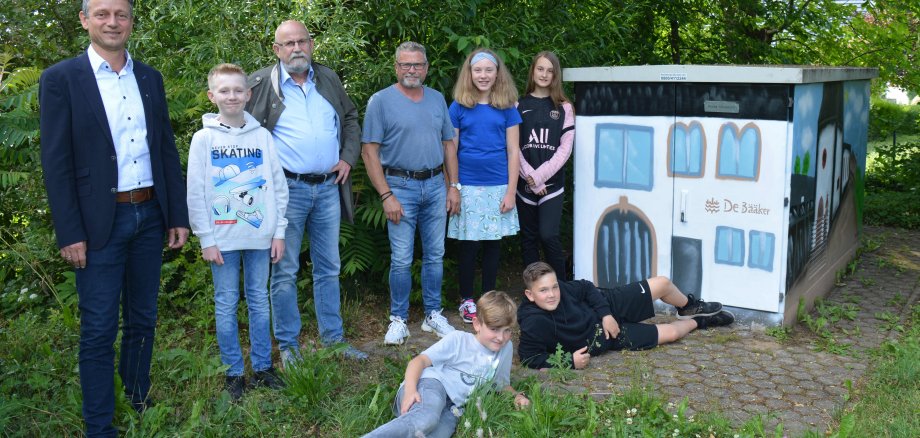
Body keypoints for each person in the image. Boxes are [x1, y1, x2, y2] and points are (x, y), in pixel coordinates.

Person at [38, 0, 189, 435]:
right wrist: (70, 231)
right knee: (100, 327)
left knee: (143, 319)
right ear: (85, 20)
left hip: (149, 214)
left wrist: (175, 214)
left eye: (120, 14)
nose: (112, 22)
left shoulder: (149, 78)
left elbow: (164, 149)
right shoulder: (61, 79)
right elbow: (56, 162)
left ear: (131, 21)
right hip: (97, 224)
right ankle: (99, 425)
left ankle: (138, 402)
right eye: (101, 13)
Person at [246, 20, 367, 361]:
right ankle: (288, 347)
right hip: (287, 190)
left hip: (329, 187)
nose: (296, 48)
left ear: (311, 44)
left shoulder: (327, 78)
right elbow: (242, 133)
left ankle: (334, 341)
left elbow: (350, 118)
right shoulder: (259, 85)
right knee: (285, 270)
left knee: (329, 267)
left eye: (302, 41)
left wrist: (347, 157)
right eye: (288, 43)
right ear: (276, 50)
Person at [187, 63, 289, 400]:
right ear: (212, 96)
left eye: (237, 90)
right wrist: (206, 238)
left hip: (260, 235)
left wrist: (279, 232)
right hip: (222, 240)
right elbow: (196, 191)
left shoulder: (262, 137)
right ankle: (233, 373)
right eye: (224, 90)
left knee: (260, 301)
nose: (232, 96)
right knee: (226, 303)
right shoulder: (203, 139)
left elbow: (278, 185)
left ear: (248, 94)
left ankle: (262, 368)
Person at [361, 42, 459, 345]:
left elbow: (448, 145)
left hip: (434, 184)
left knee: (435, 255)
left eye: (417, 64)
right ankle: (399, 319)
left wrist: (453, 186)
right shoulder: (381, 101)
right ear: (396, 67)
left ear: (427, 68)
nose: (412, 70)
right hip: (399, 186)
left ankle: (432, 315)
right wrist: (386, 195)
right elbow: (369, 151)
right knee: (402, 258)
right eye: (405, 64)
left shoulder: (437, 99)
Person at [363, 291, 530, 437]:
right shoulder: (458, 339)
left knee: (438, 433)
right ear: (477, 324)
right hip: (431, 386)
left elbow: (501, 385)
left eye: (507, 330)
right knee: (426, 418)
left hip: (456, 407)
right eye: (494, 329)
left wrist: (517, 395)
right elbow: (418, 361)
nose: (501, 337)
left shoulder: (505, 348)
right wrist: (410, 390)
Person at [517, 262, 734, 370]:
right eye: (544, 290)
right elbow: (529, 357)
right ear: (530, 294)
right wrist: (569, 362)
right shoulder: (533, 322)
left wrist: (606, 314)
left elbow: (585, 287)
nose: (553, 294)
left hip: (608, 306)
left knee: (663, 283)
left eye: (554, 287)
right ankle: (701, 321)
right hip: (607, 338)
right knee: (671, 333)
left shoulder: (561, 289)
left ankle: (689, 308)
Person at [448, 48, 522, 324]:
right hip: (466, 185)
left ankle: (489, 298)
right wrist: (452, 185)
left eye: (488, 70)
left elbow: (514, 152)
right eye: (477, 70)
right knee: (468, 246)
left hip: (498, 186)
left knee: (493, 246)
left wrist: (511, 191)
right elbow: (451, 149)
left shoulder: (507, 107)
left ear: (497, 73)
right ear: (469, 73)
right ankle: (467, 300)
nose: (483, 75)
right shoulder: (458, 106)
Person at [516, 51, 574, 280]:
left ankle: (563, 289)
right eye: (540, 69)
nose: (544, 74)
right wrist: (530, 177)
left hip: (552, 186)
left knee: (548, 235)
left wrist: (539, 177)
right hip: (524, 185)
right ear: (533, 70)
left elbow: (565, 149)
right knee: (528, 239)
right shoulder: (518, 104)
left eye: (550, 70)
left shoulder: (564, 107)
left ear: (555, 75)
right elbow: (513, 147)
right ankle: (533, 291)